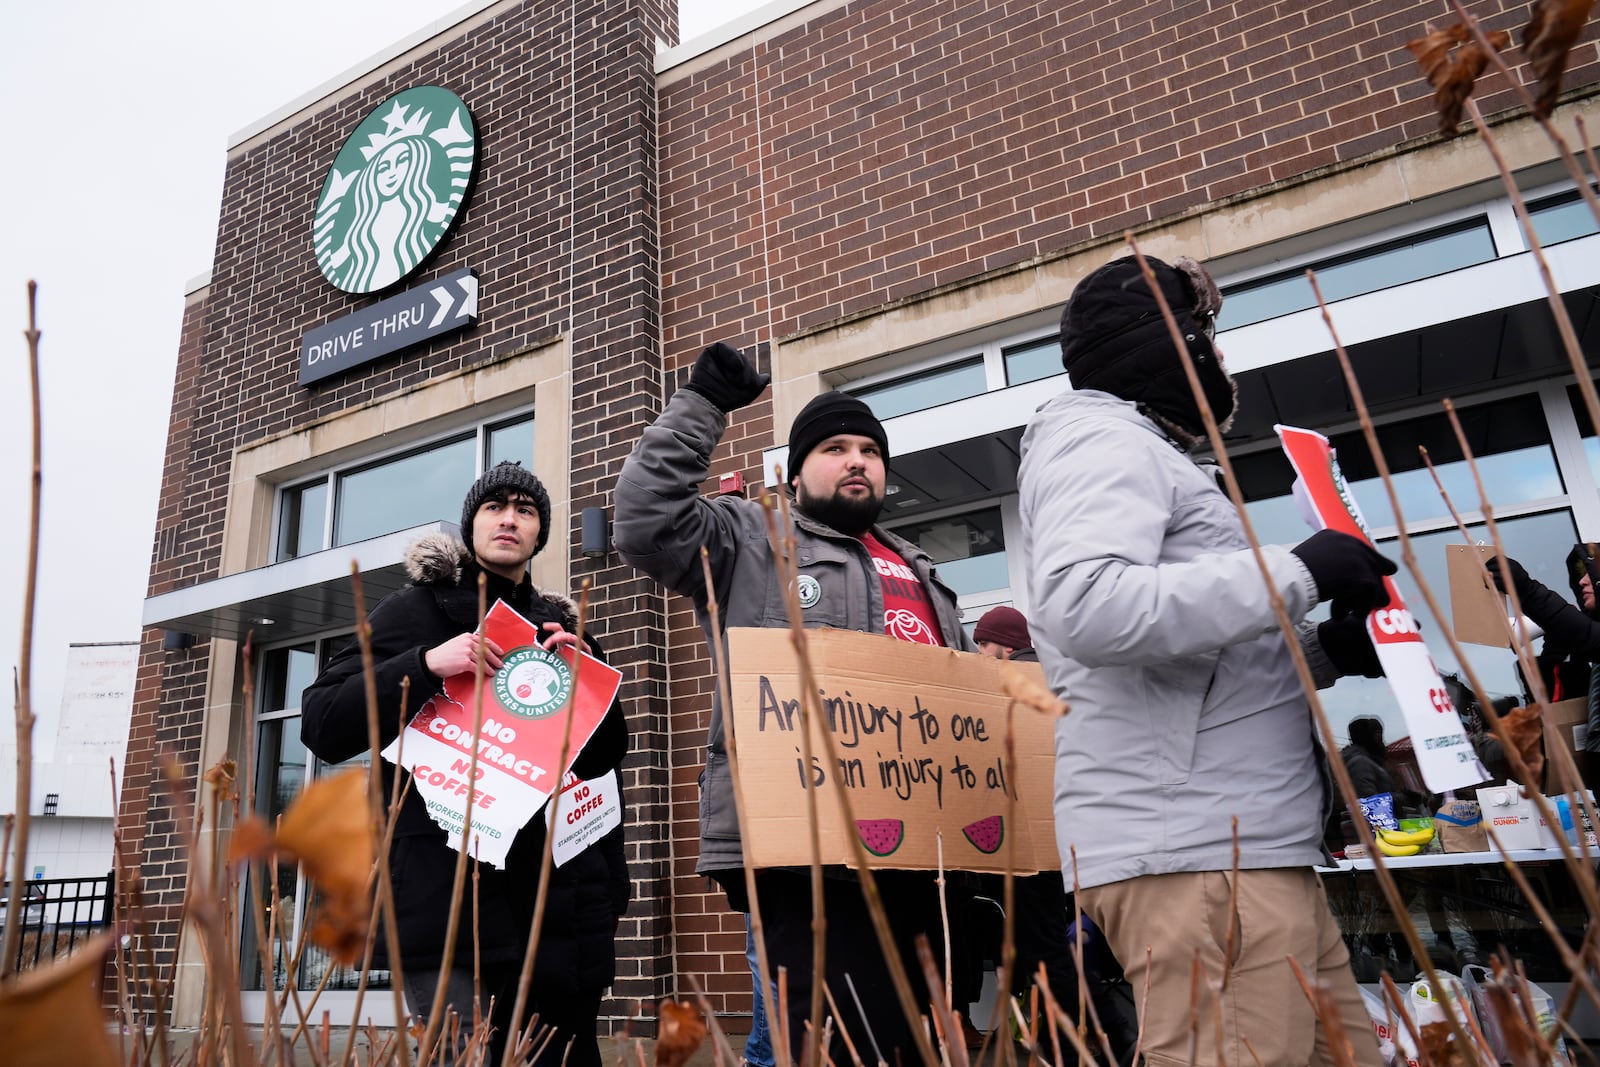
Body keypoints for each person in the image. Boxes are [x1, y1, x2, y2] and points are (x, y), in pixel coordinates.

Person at [1017, 254, 1394, 1067]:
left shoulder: (1146, 454)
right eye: (1209, 337)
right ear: (1168, 343)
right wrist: (1298, 572)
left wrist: (1328, 651)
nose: (1223, 360)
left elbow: (1201, 668)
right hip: (1199, 858)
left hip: (1246, 850)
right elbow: (1089, 605)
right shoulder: (1102, 441)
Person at [613, 342, 972, 1063]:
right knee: (831, 1038)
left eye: (870, 449)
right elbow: (644, 520)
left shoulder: (922, 570)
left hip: (928, 854)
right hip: (809, 852)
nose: (857, 460)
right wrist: (704, 403)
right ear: (797, 467)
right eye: (835, 447)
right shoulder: (749, 538)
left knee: (917, 1041)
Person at [301, 461, 630, 1067]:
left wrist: (589, 683)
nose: (510, 519)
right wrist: (427, 664)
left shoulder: (565, 630)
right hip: (447, 907)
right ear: (471, 523)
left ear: (540, 534)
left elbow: (607, 761)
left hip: (557, 914)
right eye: (495, 507)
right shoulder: (414, 612)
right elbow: (323, 722)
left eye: (525, 510)